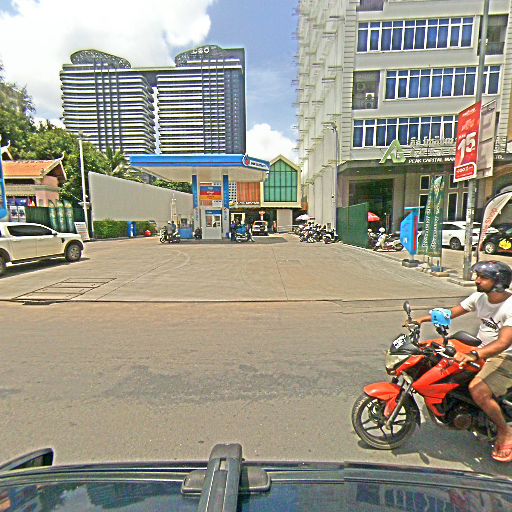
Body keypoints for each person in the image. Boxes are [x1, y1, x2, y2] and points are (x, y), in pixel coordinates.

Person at [414, 261, 512, 463]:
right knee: (439, 357)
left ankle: (505, 432)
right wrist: (421, 320)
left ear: (498, 282)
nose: (477, 280)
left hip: (504, 356)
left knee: (478, 390)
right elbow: (451, 313)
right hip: (480, 349)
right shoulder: (479, 297)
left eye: (483, 277)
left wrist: (475, 354)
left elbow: (503, 343)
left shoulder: (509, 307)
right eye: (478, 276)